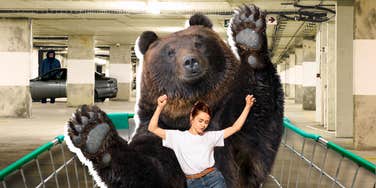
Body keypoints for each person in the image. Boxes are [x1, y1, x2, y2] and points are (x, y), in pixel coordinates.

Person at [148, 94, 255, 188]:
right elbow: (152, 128)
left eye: (206, 122)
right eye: (200, 121)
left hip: (214, 179)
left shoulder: (210, 137)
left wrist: (247, 106)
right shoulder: (177, 137)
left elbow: (235, 128)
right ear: (192, 118)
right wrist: (160, 106)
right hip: (193, 183)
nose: (204, 125)